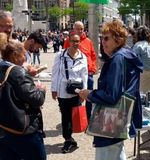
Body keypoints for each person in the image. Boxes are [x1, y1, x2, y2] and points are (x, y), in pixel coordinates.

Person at [78, 20, 143, 160]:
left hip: (110, 120)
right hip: (121, 117)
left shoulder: (117, 59)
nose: (103, 41)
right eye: (102, 38)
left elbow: (112, 95)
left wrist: (90, 94)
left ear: (118, 40)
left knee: (107, 153)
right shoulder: (126, 55)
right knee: (117, 152)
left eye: (107, 38)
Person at [0, 32, 46, 160]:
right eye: (23, 55)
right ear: (15, 56)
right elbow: (37, 99)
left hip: (4, 127)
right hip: (23, 130)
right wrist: (41, 90)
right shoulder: (18, 72)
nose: (25, 59)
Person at [51, 32, 88, 153]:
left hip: (77, 91)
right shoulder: (60, 55)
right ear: (68, 41)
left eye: (77, 41)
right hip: (63, 91)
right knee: (65, 116)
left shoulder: (83, 57)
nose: (75, 44)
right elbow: (55, 73)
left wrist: (84, 92)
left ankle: (70, 138)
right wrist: (54, 89)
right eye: (73, 41)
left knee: (75, 116)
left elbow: (85, 76)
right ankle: (67, 139)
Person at [64, 21, 97, 121]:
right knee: (75, 97)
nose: (80, 31)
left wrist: (94, 66)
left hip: (89, 74)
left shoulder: (88, 41)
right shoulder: (68, 41)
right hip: (76, 75)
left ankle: (87, 117)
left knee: (89, 97)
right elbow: (65, 57)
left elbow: (93, 55)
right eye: (78, 29)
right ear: (73, 29)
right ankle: (75, 118)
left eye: (82, 28)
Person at [133, 25, 150, 93]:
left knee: (140, 92)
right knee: (149, 91)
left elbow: (133, 60)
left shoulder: (138, 45)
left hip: (142, 72)